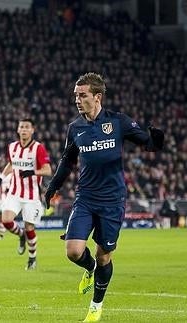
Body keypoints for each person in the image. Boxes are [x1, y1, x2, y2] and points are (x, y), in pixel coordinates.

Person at [44, 72, 164, 322]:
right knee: (73, 251)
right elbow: (67, 161)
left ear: (97, 97)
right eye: (76, 95)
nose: (77, 100)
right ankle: (89, 270)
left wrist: (156, 140)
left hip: (112, 201)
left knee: (103, 256)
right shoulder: (75, 128)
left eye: (82, 95)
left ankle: (96, 305)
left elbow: (147, 143)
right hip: (85, 197)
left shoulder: (117, 122)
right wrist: (53, 187)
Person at [0, 118, 52, 270]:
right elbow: (11, 164)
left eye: (27, 127)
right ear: (18, 130)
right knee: (6, 220)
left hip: (32, 196)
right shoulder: (12, 147)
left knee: (29, 227)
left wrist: (33, 172)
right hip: (14, 193)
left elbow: (48, 170)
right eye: (21, 127)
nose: (24, 130)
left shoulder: (38, 148)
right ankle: (20, 235)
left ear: (32, 130)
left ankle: (32, 258)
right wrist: (1, 178)